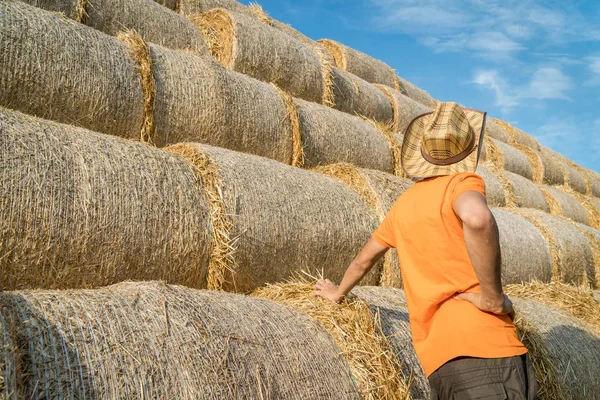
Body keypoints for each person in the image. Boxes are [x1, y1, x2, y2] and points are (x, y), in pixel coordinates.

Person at [315, 102, 537, 400]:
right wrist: (493, 298)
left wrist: (338, 292)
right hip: (485, 347)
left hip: (438, 361)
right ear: (468, 150)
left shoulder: (403, 206)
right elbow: (477, 217)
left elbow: (362, 260)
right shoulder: (461, 182)